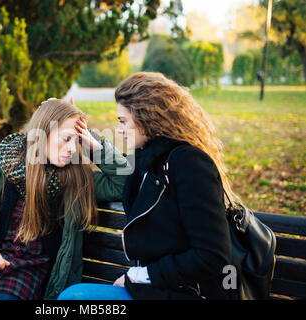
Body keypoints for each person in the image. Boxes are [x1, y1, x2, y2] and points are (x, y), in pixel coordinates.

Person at [58, 72, 238, 300]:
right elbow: (123, 176)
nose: (119, 130)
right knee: (74, 296)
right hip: (153, 291)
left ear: (147, 118)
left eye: (123, 122)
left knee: (75, 298)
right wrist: (88, 142)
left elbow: (212, 256)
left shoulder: (189, 163)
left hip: (180, 293)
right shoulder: (149, 161)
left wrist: (140, 275)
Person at [0, 98, 130, 300]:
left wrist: (93, 145)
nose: (71, 148)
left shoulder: (77, 181)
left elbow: (125, 181)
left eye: (76, 141)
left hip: (23, 276)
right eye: (65, 138)